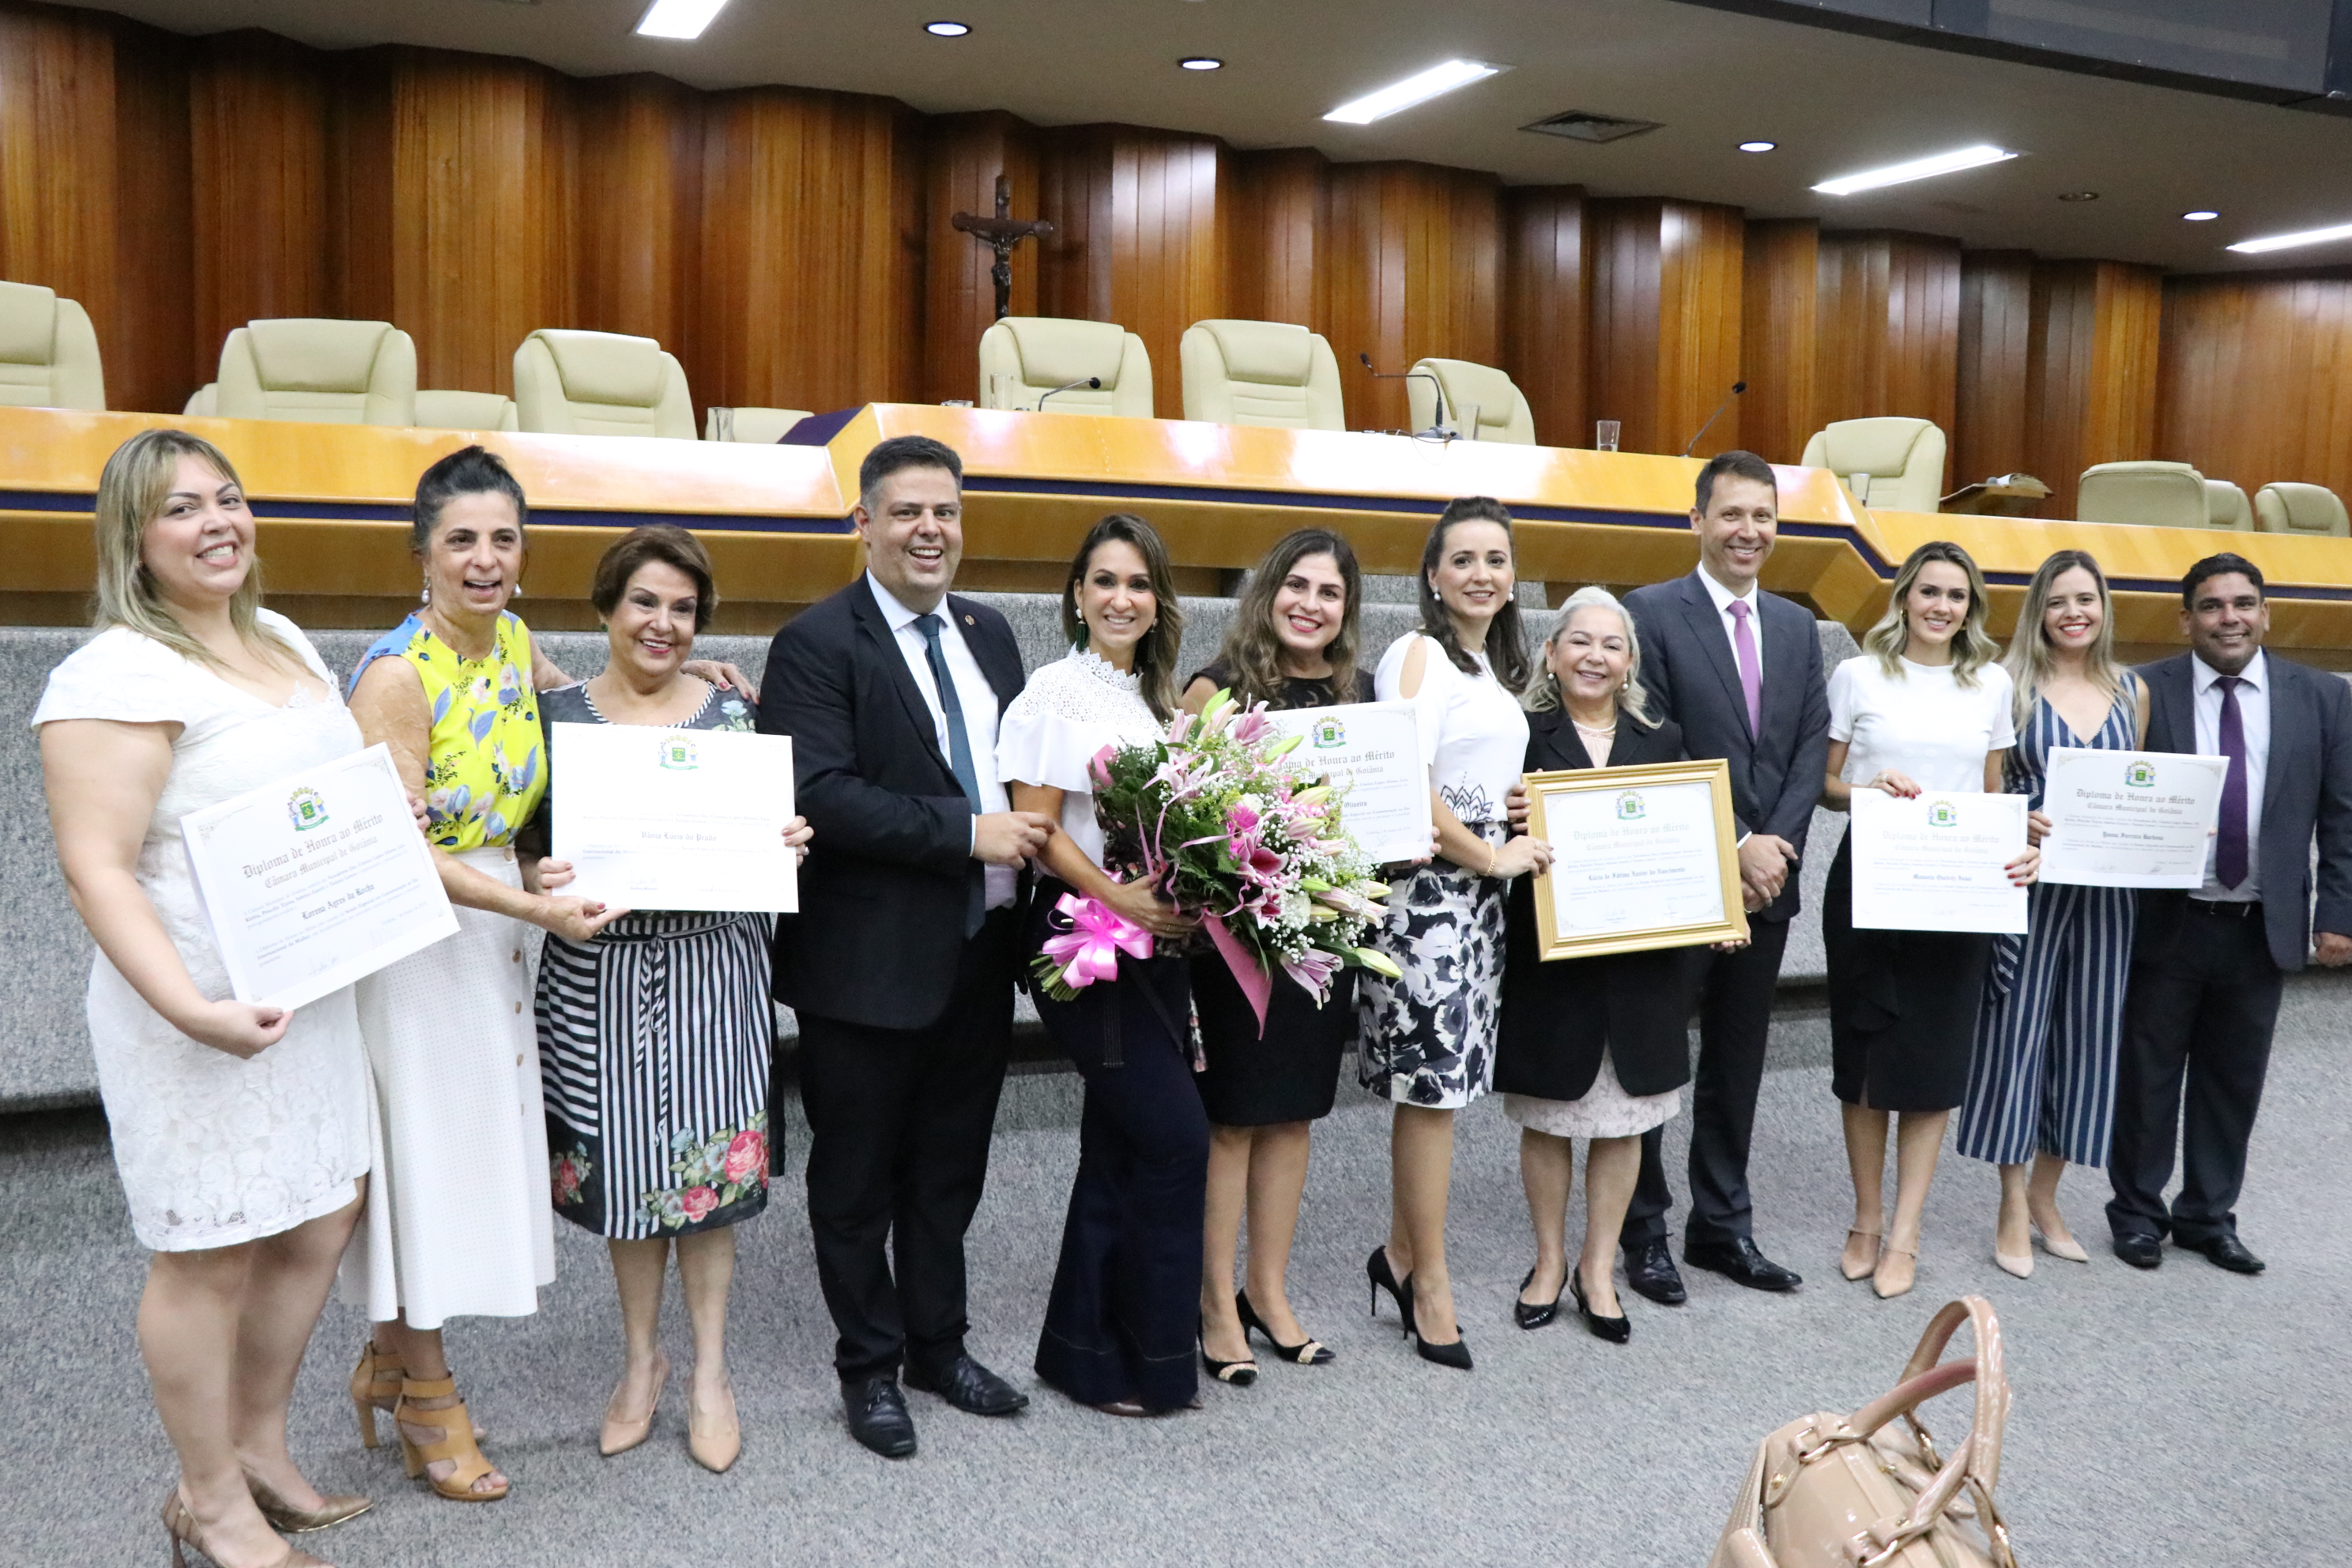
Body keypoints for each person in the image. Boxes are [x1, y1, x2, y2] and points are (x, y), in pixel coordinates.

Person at [36, 429, 373, 1568]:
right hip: (194, 1011)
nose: (218, 522)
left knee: (320, 1212)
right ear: (133, 539)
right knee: (211, 1249)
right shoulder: (113, 676)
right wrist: (190, 1009)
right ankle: (211, 1501)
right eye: (181, 509)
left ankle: (258, 1446)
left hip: (305, 990)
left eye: (228, 498)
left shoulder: (280, 637)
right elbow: (97, 868)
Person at [341, 447, 628, 1502]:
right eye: (461, 539)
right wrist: (536, 907)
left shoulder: (512, 640)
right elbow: (398, 850)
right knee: (426, 1166)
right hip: (419, 944)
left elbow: (588, 710)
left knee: (459, 1157)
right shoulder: (397, 674)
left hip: (497, 929)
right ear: (421, 554)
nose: (485, 558)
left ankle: (387, 1361)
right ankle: (427, 1397)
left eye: (504, 538)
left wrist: (706, 692)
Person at [760, 434, 1053, 1459]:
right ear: (865, 524)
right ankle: (869, 1367)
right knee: (855, 1182)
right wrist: (964, 833)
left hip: (979, 953)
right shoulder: (815, 642)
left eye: (946, 512)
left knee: (948, 1169)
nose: (931, 530)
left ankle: (939, 1346)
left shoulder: (989, 631)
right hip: (867, 964)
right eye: (908, 512)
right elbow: (821, 793)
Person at [523, 526, 812, 1473]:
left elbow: (769, 828)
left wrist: (787, 837)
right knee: (623, 1170)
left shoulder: (737, 712)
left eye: (683, 609)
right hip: (599, 976)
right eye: (644, 601)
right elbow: (520, 847)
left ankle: (711, 1373)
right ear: (606, 607)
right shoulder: (554, 716)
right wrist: (537, 876)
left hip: (713, 970)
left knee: (708, 1176)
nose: (663, 623)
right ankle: (641, 1360)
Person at [1001, 513, 1204, 1415]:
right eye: (1106, 581)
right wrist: (1122, 900)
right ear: (1077, 596)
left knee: (1121, 1146)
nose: (1123, 598)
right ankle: (1137, 1352)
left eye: (1139, 583)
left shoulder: (1153, 702)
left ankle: (1091, 1357)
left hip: (1155, 942)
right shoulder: (1056, 691)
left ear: (1158, 601)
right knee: (1174, 1140)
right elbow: (1038, 830)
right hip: (1083, 940)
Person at [1617, 449, 1828, 1305]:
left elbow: (1808, 749)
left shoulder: (1797, 625)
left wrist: (1771, 851)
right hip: (1681, 877)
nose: (1749, 530)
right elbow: (1656, 742)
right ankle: (1643, 1231)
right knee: (1658, 1059)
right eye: (1732, 513)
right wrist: (1732, 842)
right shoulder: (1649, 613)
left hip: (1768, 884)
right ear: (1697, 520)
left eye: (1763, 516)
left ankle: (1722, 1224)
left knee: (1738, 1062)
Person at [2107, 552, 2352, 1274]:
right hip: (2168, 918)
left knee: (2233, 1079)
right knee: (2147, 1075)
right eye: (2211, 606)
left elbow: (2343, 817)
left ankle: (2207, 1218)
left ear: (2266, 614)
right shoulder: (2142, 689)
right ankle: (2138, 1215)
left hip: (2260, 924)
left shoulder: (2322, 697)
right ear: (2186, 619)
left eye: (2243, 604)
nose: (2229, 618)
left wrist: (2338, 912)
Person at [1359, 497, 1551, 1371]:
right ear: (1433, 576)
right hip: (1429, 900)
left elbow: (1469, 775)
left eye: (1496, 560)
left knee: (1447, 1090)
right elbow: (1405, 773)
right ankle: (1429, 1285)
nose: (1482, 573)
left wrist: (1512, 811)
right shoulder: (1419, 653)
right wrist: (1492, 854)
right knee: (1431, 1096)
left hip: (1477, 904)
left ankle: (1400, 1255)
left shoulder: (1486, 670)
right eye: (1463, 559)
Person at [1819, 540, 2038, 1299]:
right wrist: (1869, 787)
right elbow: (1824, 784)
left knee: (1934, 1064)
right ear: (1905, 597)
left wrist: (2020, 839)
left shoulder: (1991, 684)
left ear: (1971, 608)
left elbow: (1991, 794)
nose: (1942, 606)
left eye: (1957, 595)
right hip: (1870, 882)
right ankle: (1866, 1220)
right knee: (1864, 1059)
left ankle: (1906, 1232)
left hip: (1957, 891)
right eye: (1930, 591)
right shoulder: (1857, 674)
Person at [1497, 590, 1715, 1345]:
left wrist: (1713, 905)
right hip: (1552, 963)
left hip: (1641, 967)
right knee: (1550, 1117)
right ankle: (1548, 1262)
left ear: (1630, 664)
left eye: (1611, 645)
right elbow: (1484, 834)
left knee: (1624, 1120)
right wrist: (1505, 819)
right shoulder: (1521, 736)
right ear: (1551, 653)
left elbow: (1689, 842)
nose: (1595, 656)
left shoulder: (1665, 740)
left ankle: (1597, 1268)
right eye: (1580, 641)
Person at [1185, 529, 1373, 1380]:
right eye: (1297, 585)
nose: (1310, 604)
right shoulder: (1216, 687)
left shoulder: (1360, 700)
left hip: (1323, 938)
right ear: (1268, 592)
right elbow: (1179, 822)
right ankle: (1213, 1302)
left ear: (1347, 609)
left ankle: (1267, 1290)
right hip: (1237, 943)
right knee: (1233, 1118)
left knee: (1294, 1115)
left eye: (1329, 592)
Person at [1959, 550, 2146, 1276]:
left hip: (2106, 896)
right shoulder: (2006, 685)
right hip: (2027, 885)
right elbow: (1983, 787)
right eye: (2060, 600)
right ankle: (2010, 1201)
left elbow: (2136, 792)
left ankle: (2046, 1193)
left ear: (2104, 607)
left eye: (2086, 600)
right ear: (2039, 609)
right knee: (2016, 1038)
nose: (2074, 613)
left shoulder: (2132, 690)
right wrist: (2020, 817)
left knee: (2089, 1042)